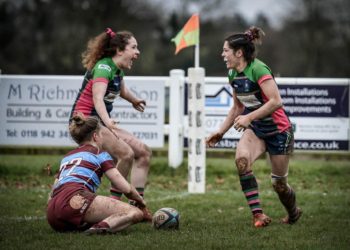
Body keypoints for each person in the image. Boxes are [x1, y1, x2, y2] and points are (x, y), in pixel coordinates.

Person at [206, 26, 302, 228]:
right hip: (257, 130)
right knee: (241, 161)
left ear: (239, 52)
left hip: (279, 132)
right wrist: (220, 132)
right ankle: (258, 215)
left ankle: (293, 213)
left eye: (225, 50)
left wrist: (249, 117)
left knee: (279, 185)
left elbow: (276, 101)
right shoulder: (233, 74)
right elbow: (237, 108)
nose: (222, 54)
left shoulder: (258, 69)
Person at [70, 28, 152, 204]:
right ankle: (114, 205)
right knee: (126, 154)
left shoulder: (117, 70)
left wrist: (134, 100)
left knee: (143, 152)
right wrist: (108, 121)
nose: (138, 52)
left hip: (99, 123)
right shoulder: (103, 67)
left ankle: (137, 205)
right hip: (85, 123)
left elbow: (122, 91)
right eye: (134, 47)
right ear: (120, 50)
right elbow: (97, 98)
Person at [47, 114, 151, 234]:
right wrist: (141, 202)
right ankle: (98, 229)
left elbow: (53, 191)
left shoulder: (67, 157)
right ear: (96, 136)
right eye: (103, 135)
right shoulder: (99, 154)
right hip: (75, 200)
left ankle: (86, 225)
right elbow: (125, 188)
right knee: (135, 213)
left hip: (52, 214)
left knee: (94, 214)